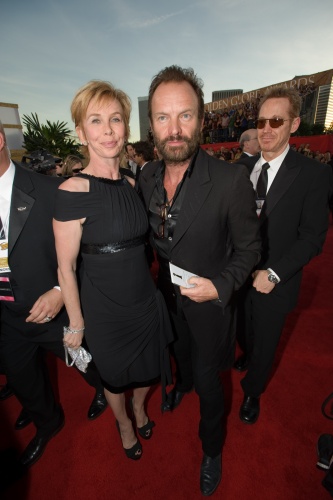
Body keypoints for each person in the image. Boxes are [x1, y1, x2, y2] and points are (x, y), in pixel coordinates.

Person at [138, 65, 261, 496]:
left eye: (185, 115)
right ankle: (180, 386)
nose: (174, 129)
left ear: (202, 120)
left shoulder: (230, 182)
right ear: (151, 124)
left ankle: (212, 448)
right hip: (168, 300)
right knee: (180, 357)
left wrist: (220, 286)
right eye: (163, 117)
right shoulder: (147, 176)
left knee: (211, 385)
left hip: (209, 308)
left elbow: (250, 251)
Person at [53, 80, 173, 461]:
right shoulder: (71, 191)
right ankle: (124, 423)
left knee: (149, 369)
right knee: (115, 378)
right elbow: (66, 268)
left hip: (143, 299)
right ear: (81, 133)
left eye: (115, 119)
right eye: (96, 121)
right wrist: (75, 321)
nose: (107, 130)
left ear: (126, 129)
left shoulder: (134, 184)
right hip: (104, 310)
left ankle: (140, 409)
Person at [0, 121, 107, 468]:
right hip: (6, 318)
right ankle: (48, 421)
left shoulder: (49, 189)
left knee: (85, 363)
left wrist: (61, 291)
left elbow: (90, 248)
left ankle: (105, 390)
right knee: (21, 378)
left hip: (52, 313)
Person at [234, 87, 333, 425]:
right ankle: (246, 354)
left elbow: (312, 239)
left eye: (276, 120)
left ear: (294, 124)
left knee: (265, 342)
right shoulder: (241, 169)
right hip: (238, 274)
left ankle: (252, 390)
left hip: (275, 280)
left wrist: (273, 274)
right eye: (261, 120)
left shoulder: (313, 175)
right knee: (243, 330)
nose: (266, 128)